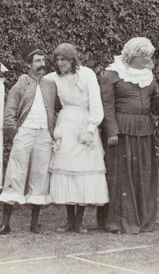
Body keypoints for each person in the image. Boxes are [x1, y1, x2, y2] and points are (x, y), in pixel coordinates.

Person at [99, 37, 159, 234]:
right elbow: (107, 106)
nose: (148, 60)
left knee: (143, 174)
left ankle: (144, 220)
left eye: (149, 56)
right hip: (121, 132)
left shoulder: (149, 75)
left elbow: (155, 107)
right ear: (132, 55)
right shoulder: (112, 74)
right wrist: (112, 131)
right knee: (121, 175)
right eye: (144, 56)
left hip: (144, 131)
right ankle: (116, 222)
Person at [0, 44, 57, 235]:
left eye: (43, 60)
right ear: (28, 64)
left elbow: (58, 107)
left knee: (40, 175)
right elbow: (10, 111)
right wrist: (14, 133)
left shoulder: (51, 84)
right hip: (25, 132)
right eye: (37, 61)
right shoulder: (21, 84)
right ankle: (5, 224)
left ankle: (35, 223)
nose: (42, 64)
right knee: (15, 173)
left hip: (45, 134)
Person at [47, 44, 108, 233]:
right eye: (57, 60)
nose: (60, 63)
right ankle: (69, 220)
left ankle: (80, 222)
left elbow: (96, 102)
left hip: (83, 123)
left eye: (63, 60)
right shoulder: (54, 78)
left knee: (83, 170)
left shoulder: (87, 74)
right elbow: (39, 83)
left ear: (72, 59)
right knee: (67, 170)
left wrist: (90, 128)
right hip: (66, 124)